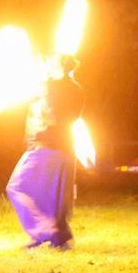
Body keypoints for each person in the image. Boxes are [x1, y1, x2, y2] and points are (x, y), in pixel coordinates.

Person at [6, 55, 84, 248]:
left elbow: (48, 113)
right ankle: (59, 238)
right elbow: (73, 116)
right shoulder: (76, 88)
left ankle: (45, 232)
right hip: (66, 148)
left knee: (17, 187)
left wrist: (42, 132)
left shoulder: (49, 87)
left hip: (45, 147)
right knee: (55, 196)